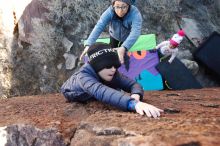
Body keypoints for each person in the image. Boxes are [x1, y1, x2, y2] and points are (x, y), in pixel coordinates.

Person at [62, 43, 163, 118]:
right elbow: (101, 91)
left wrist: (136, 95)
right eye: (108, 66)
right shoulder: (83, 77)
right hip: (73, 92)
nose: (113, 69)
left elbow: (134, 84)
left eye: (116, 65)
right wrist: (134, 104)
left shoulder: (112, 73)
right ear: (97, 66)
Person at [80, 0, 142, 65]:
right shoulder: (110, 12)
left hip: (126, 38)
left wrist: (124, 47)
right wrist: (88, 44)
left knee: (122, 51)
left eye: (124, 7)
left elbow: (135, 32)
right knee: (112, 48)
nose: (120, 11)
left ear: (129, 5)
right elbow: (99, 26)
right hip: (114, 35)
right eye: (117, 7)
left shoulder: (135, 14)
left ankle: (121, 59)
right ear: (113, 5)